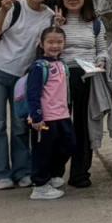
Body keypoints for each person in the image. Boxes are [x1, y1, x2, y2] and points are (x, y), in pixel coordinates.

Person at [0, 0, 56, 189]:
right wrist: (3, 11)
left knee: (21, 124)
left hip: (23, 78)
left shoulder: (50, 15)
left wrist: (58, 25)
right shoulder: (13, 8)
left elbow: (50, 45)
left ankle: (22, 171)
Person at [54, 0, 109, 189]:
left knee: (84, 126)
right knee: (59, 125)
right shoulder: (55, 20)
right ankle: (55, 171)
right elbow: (47, 47)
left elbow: (102, 49)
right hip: (60, 78)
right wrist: (56, 26)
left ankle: (80, 173)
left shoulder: (95, 22)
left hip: (87, 77)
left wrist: (101, 60)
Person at [24, 25, 74, 201]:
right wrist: (36, 117)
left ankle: (53, 175)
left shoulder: (62, 64)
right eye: (50, 42)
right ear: (41, 44)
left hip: (62, 115)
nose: (55, 46)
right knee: (43, 151)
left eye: (59, 42)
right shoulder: (38, 67)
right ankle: (40, 185)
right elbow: (33, 93)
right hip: (45, 118)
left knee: (68, 145)